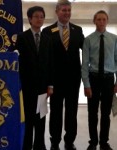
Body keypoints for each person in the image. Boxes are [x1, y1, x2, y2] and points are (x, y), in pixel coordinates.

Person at [42, 0, 84, 150]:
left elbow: (86, 53)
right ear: (57, 11)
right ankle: (55, 141)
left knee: (72, 112)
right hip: (55, 80)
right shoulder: (47, 31)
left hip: (73, 79)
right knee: (56, 111)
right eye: (63, 10)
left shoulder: (77, 30)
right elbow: (44, 57)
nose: (66, 13)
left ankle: (69, 140)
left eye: (68, 10)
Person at [14, 6, 54, 150]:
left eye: (42, 16)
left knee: (41, 119)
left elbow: (51, 64)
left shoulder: (48, 39)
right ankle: (26, 146)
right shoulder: (22, 38)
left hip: (43, 87)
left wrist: (50, 85)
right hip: (26, 86)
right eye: (36, 16)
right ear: (30, 19)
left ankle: (39, 145)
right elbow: (17, 63)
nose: (39, 19)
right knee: (29, 119)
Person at [81, 10, 117, 150]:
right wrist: (86, 84)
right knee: (92, 112)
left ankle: (104, 141)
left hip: (108, 79)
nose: (101, 22)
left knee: (106, 113)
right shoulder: (88, 40)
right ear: (94, 21)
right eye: (99, 19)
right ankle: (93, 141)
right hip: (93, 79)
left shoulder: (114, 39)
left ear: (107, 21)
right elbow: (84, 64)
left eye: (104, 19)